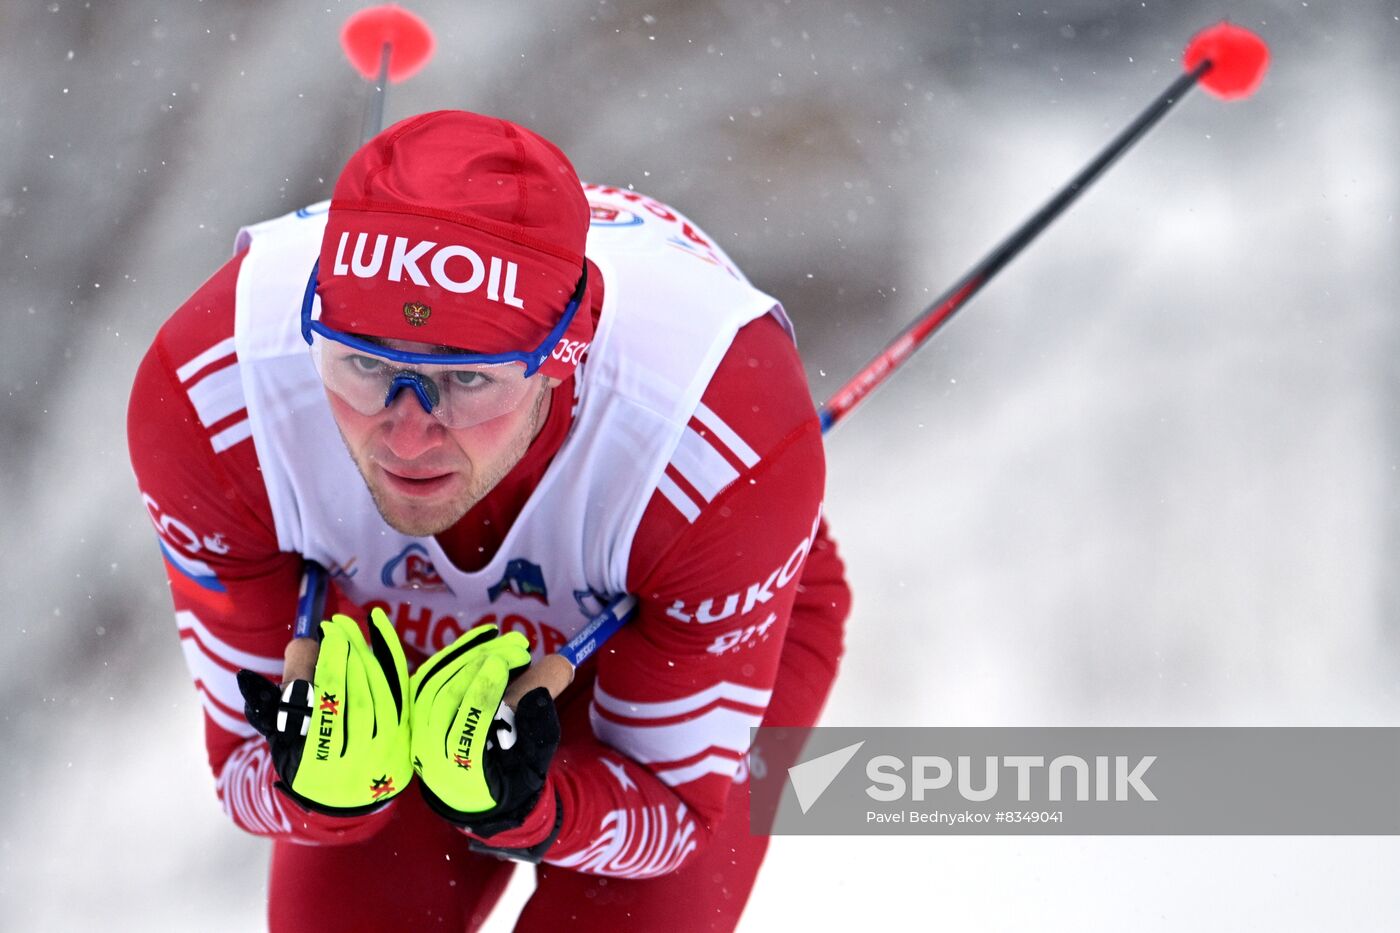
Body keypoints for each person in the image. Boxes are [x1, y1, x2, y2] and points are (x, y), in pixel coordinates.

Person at [127, 109, 851, 932]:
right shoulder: (210, 397)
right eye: (363, 365)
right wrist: (316, 786)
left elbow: (672, 815)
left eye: (468, 381)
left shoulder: (722, 451)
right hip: (387, 652)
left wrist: (535, 808)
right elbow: (242, 772)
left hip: (661, 608)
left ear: (564, 355)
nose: (406, 432)